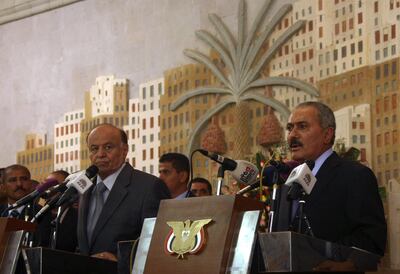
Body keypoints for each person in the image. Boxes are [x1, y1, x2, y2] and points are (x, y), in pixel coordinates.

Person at [278, 101, 386, 256]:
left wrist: (323, 256)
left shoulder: (355, 176)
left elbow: (372, 239)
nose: (292, 135)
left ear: (327, 135)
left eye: (302, 126)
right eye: (290, 128)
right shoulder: (287, 182)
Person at [77, 124, 170, 261]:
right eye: (94, 149)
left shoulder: (149, 187)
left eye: (108, 147)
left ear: (124, 150)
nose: (100, 154)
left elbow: (160, 241)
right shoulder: (85, 189)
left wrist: (119, 258)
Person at [0, 164, 51, 247]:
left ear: (30, 183)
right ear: (3, 188)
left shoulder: (41, 212)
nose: (19, 184)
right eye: (13, 180)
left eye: (24, 179)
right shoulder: (1, 212)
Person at [45, 170, 78, 252]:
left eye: (54, 185)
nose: (50, 189)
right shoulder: (40, 216)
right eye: (47, 184)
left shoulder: (78, 217)